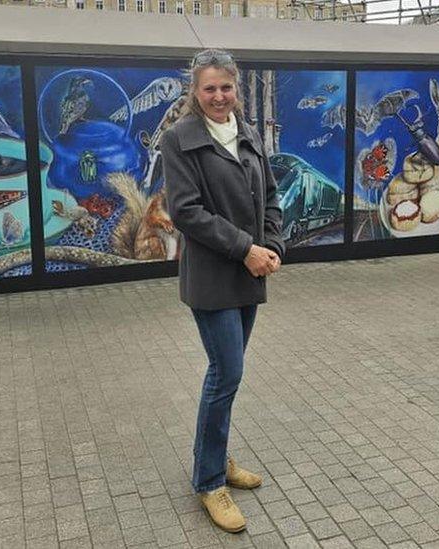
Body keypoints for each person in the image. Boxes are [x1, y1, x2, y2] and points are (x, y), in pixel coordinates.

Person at [160, 48, 284, 533]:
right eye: (208, 88)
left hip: (249, 271)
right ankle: (210, 481)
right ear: (195, 91)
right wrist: (247, 249)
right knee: (225, 371)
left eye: (226, 87)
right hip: (213, 276)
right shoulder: (179, 139)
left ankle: (216, 455)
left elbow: (270, 195)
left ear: (236, 88)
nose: (218, 96)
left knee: (228, 376)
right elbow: (187, 212)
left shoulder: (247, 133)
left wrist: (271, 245)